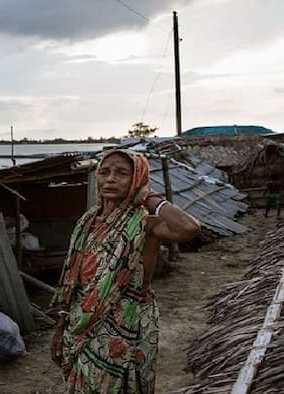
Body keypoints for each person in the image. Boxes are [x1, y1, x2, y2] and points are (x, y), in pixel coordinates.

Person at [50, 149, 200, 393]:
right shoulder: (87, 223)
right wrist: (61, 325)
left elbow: (189, 228)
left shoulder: (145, 223)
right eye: (105, 172)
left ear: (137, 179)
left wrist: (149, 197)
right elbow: (73, 280)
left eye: (122, 173)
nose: (110, 179)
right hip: (82, 320)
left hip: (127, 322)